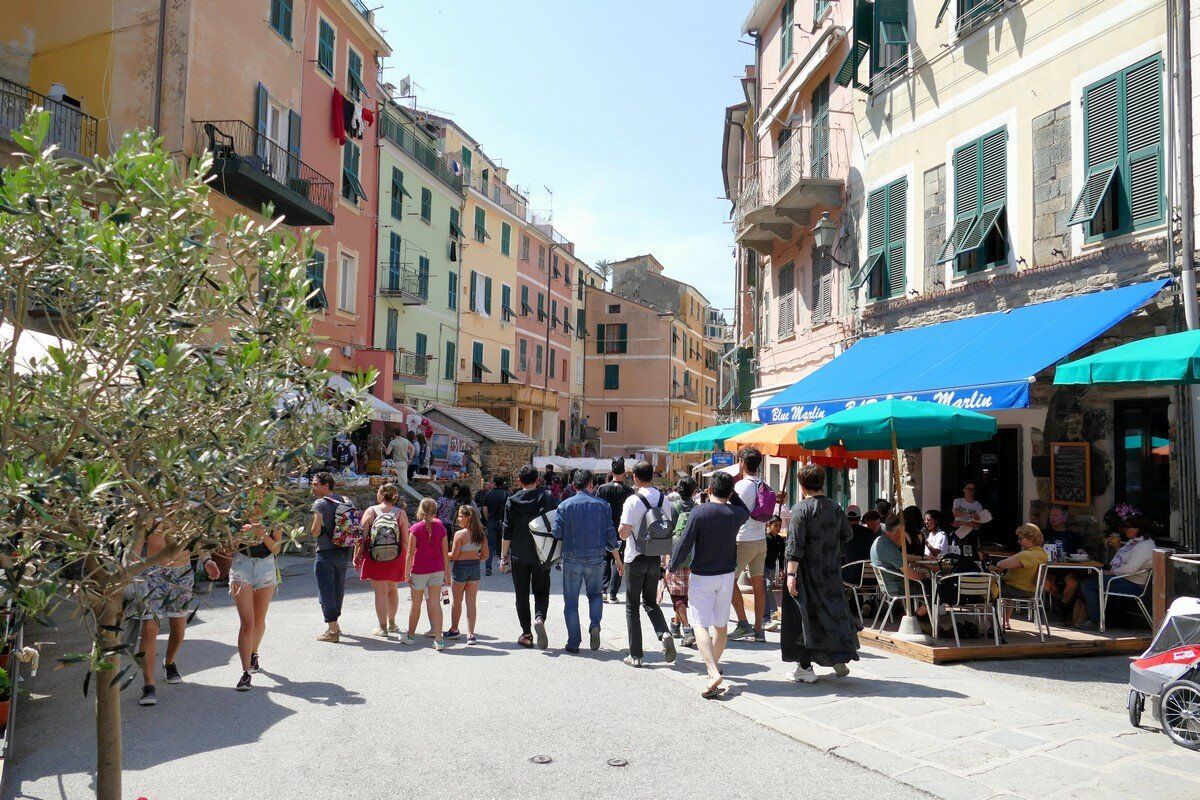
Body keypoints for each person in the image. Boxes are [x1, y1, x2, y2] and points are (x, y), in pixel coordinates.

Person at [668, 471, 750, 698]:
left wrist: (671, 568)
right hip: (726, 575)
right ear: (730, 493)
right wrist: (732, 495)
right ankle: (712, 669)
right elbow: (746, 510)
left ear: (710, 490)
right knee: (721, 627)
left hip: (703, 575)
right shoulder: (735, 513)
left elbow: (684, 543)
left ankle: (712, 671)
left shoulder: (699, 512)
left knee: (700, 624)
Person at [781, 465, 861, 683]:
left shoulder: (801, 509)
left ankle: (805, 668)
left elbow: (795, 547)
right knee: (832, 613)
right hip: (831, 572)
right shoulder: (835, 507)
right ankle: (838, 658)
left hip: (806, 573)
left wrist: (790, 575)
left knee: (803, 618)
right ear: (822, 483)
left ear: (801, 485)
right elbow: (847, 534)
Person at [131, 526, 221, 706]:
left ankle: (170, 663)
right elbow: (136, 544)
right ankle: (149, 684)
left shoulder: (186, 510)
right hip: (152, 574)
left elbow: (198, 539)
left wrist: (207, 560)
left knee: (178, 625)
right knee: (149, 627)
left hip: (183, 574)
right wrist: (129, 571)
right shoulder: (150, 512)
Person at [553, 469, 622, 653]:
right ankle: (595, 624)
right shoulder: (603, 505)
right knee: (595, 594)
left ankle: (574, 642)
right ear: (591, 485)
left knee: (571, 601)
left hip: (572, 557)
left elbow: (557, 533)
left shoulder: (564, 506)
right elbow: (610, 534)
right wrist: (617, 559)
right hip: (596, 557)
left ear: (573, 486)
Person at [617, 460, 676, 667]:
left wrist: (623, 533)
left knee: (632, 605)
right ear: (653, 475)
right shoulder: (664, 499)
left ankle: (636, 655)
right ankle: (664, 634)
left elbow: (624, 533)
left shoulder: (632, 500)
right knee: (650, 602)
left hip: (635, 557)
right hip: (655, 557)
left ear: (634, 477)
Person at [501, 465, 557, 649]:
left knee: (521, 594)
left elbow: (507, 531)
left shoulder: (512, 500)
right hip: (542, 552)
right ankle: (539, 617)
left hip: (519, 553)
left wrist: (503, 557)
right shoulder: (547, 496)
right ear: (537, 480)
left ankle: (526, 634)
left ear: (519, 481)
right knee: (542, 590)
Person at [226, 512, 282, 692]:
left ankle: (253, 653)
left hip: (266, 567)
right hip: (242, 565)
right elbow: (227, 549)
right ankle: (245, 673)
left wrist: (263, 534)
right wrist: (242, 535)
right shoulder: (236, 514)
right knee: (247, 623)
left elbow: (276, 549)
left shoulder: (274, 514)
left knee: (259, 621)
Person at [1077, 515, 1155, 630]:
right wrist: (1117, 547)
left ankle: (1096, 620)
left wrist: (1111, 572)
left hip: (1132, 584)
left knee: (1087, 584)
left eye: (1128, 527)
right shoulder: (1133, 543)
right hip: (1122, 579)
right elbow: (1119, 561)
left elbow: (1131, 569)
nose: (1125, 529)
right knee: (1087, 578)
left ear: (1137, 529)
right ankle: (1092, 616)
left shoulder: (1145, 546)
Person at [356, 483, 409, 638]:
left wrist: (358, 555)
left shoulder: (370, 511)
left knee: (380, 593)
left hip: (375, 556)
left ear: (380, 494)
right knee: (393, 589)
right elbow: (405, 539)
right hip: (396, 556)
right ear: (395, 496)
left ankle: (382, 627)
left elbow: (362, 538)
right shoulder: (400, 513)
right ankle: (392, 623)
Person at [309, 472, 356, 644]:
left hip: (325, 551)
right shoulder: (345, 500)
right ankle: (335, 623)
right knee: (338, 588)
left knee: (326, 590)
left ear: (325, 486)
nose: (313, 487)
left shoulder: (320, 503)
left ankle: (332, 629)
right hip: (344, 550)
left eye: (315, 484)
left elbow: (315, 531)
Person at [731, 447, 770, 642]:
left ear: (743, 463)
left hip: (743, 539)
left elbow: (732, 513)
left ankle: (743, 623)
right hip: (760, 539)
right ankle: (758, 629)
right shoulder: (764, 484)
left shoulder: (741, 486)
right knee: (758, 584)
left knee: (729, 581)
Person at [403, 498, 451, 651]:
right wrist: (447, 573)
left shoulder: (415, 529)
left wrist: (406, 573)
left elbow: (410, 554)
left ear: (421, 510)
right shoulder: (442, 529)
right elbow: (445, 553)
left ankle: (410, 636)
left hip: (419, 570)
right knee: (435, 603)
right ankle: (439, 639)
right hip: (437, 569)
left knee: (416, 605)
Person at [870, 514, 933, 622]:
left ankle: (923, 614)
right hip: (896, 587)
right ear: (899, 531)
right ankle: (917, 618)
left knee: (930, 586)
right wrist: (925, 577)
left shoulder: (881, 541)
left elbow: (900, 557)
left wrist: (921, 558)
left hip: (890, 584)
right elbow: (911, 574)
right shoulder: (887, 547)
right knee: (936, 587)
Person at [664, 477, 700, 645]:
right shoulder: (698, 509)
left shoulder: (672, 508)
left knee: (677, 594)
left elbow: (667, 533)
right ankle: (675, 623)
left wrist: (665, 556)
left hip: (676, 556)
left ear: (677, 490)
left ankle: (686, 628)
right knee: (685, 594)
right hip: (695, 556)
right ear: (694, 491)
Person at [995, 523, 1051, 627]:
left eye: (1021, 539)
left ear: (1031, 539)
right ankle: (1005, 621)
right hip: (1033, 590)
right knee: (1003, 587)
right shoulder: (1042, 554)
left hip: (1018, 589)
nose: (1019, 541)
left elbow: (1000, 564)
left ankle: (993, 624)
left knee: (989, 588)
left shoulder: (1026, 555)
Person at [447, 504, 489, 643]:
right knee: (471, 602)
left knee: (457, 601)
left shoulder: (460, 534)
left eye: (460, 516)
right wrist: (474, 556)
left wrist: (442, 554)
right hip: (475, 567)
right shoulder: (481, 533)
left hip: (460, 568)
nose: (458, 519)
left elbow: (454, 555)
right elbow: (485, 555)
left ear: (468, 517)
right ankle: (470, 634)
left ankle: (454, 629)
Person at [596, 458, 633, 603]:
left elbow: (597, 509)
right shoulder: (629, 491)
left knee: (605, 558)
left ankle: (603, 589)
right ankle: (613, 593)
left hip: (605, 528)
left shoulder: (603, 489)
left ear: (611, 472)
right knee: (619, 559)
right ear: (624, 472)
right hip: (622, 528)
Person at [1041, 505, 1085, 621]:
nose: (1052, 518)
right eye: (1051, 515)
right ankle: (1059, 599)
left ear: (1064, 518)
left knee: (1073, 582)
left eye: (1056, 515)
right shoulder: (1043, 534)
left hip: (1067, 569)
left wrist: (1081, 552)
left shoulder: (1073, 536)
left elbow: (1079, 550)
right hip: (1048, 569)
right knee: (1044, 582)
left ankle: (1063, 606)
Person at [480, 476, 510, 576]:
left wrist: (488, 519)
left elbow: (485, 509)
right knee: (505, 544)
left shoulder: (488, 494)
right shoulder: (507, 494)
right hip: (504, 522)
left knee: (490, 545)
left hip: (492, 521)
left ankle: (488, 568)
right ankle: (505, 566)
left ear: (494, 483)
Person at [842, 506, 876, 583]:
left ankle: (850, 593)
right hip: (870, 578)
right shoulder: (870, 533)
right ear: (860, 518)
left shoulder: (841, 534)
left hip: (850, 577)